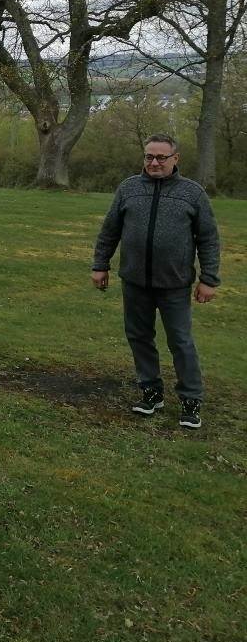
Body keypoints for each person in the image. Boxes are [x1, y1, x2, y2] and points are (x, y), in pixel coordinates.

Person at [92, 133, 220, 429]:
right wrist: (100, 265)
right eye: (149, 156)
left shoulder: (192, 193)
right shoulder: (129, 189)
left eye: (161, 157)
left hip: (174, 283)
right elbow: (109, 231)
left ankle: (191, 400)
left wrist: (209, 279)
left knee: (181, 341)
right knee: (139, 337)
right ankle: (151, 391)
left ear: (175, 159)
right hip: (135, 281)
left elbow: (209, 239)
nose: (154, 162)